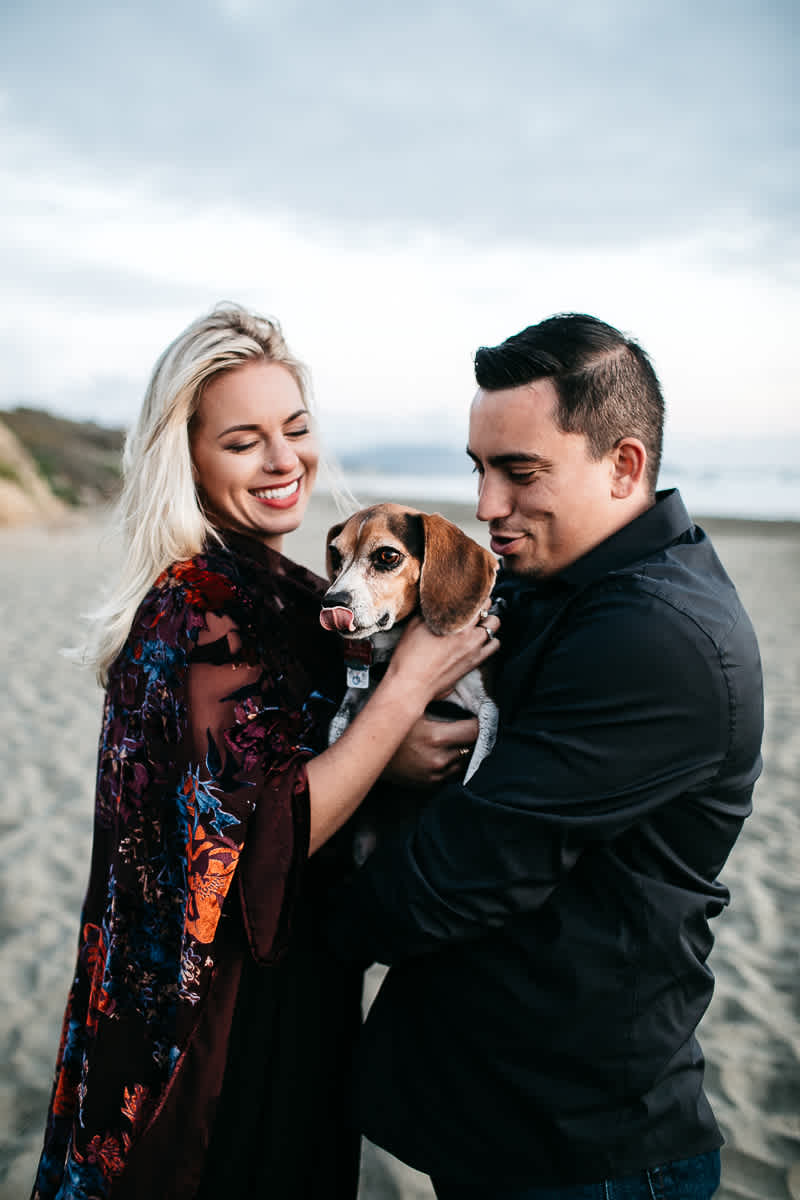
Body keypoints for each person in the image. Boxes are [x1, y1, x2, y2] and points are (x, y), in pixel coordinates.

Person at [31, 303, 499, 1200]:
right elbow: (245, 852)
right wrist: (400, 705)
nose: (285, 461)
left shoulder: (290, 590)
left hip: (304, 983)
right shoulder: (199, 606)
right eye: (244, 442)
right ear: (187, 459)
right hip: (225, 1027)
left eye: (296, 428)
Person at [325, 313, 764, 1200]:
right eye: (478, 469)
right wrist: (386, 740)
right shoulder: (549, 581)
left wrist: (288, 907)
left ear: (625, 466)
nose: (488, 505)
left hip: (582, 1149)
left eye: (520, 473)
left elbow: (464, 873)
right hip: (492, 1113)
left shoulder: (659, 636)